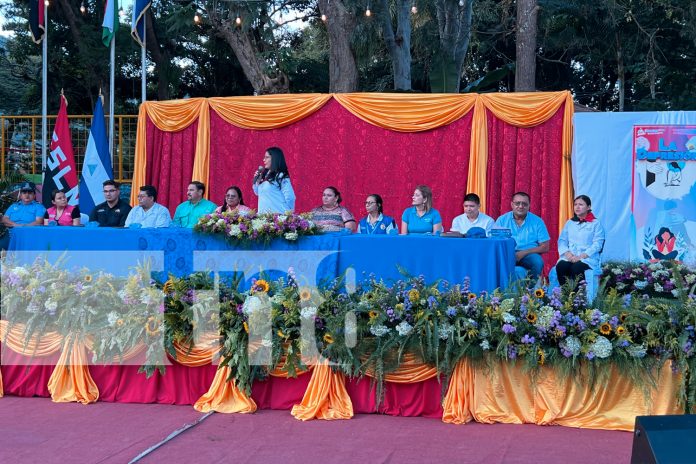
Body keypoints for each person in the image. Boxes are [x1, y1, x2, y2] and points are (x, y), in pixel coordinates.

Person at [494, 192, 550, 282]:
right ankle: (499, 291)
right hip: (507, 253)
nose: (521, 206)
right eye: (517, 203)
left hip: (529, 254)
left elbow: (545, 247)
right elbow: (495, 241)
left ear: (529, 205)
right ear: (512, 204)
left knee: (537, 262)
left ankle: (529, 291)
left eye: (524, 204)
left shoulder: (537, 221)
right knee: (494, 261)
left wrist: (523, 253)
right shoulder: (502, 220)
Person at [556, 195, 606, 286]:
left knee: (577, 268)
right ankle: (565, 295)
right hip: (570, 256)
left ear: (588, 207)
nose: (577, 207)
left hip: (587, 258)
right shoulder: (569, 223)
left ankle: (578, 297)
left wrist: (581, 256)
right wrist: (567, 254)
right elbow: (562, 240)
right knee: (561, 266)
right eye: (575, 204)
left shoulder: (596, 224)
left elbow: (598, 244)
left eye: (581, 204)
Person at [1, 181, 46, 250]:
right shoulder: (13, 206)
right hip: (11, 234)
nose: (27, 195)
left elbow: (38, 222)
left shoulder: (39, 207)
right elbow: (4, 219)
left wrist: (23, 227)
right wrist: (15, 225)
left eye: (30, 193)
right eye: (24, 192)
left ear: (34, 195)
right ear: (20, 195)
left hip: (29, 234)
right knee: (2, 247)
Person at [252, 147, 296, 213]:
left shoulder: (280, 176)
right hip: (264, 218)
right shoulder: (265, 175)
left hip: (277, 218)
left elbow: (290, 197)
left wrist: (288, 213)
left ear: (275, 159)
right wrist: (257, 181)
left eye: (267, 157)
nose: (264, 160)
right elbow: (258, 193)